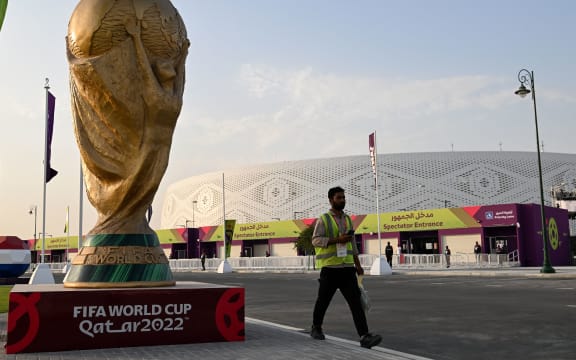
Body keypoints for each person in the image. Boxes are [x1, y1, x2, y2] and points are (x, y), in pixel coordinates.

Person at [310, 186, 382, 349]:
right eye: (339, 198)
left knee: (356, 303)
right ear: (331, 200)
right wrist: (337, 239)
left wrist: (358, 265)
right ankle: (316, 327)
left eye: (343, 197)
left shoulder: (348, 219)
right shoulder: (324, 219)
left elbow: (352, 244)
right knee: (323, 301)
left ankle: (364, 336)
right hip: (330, 269)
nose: (342, 200)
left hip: (347, 268)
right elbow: (315, 240)